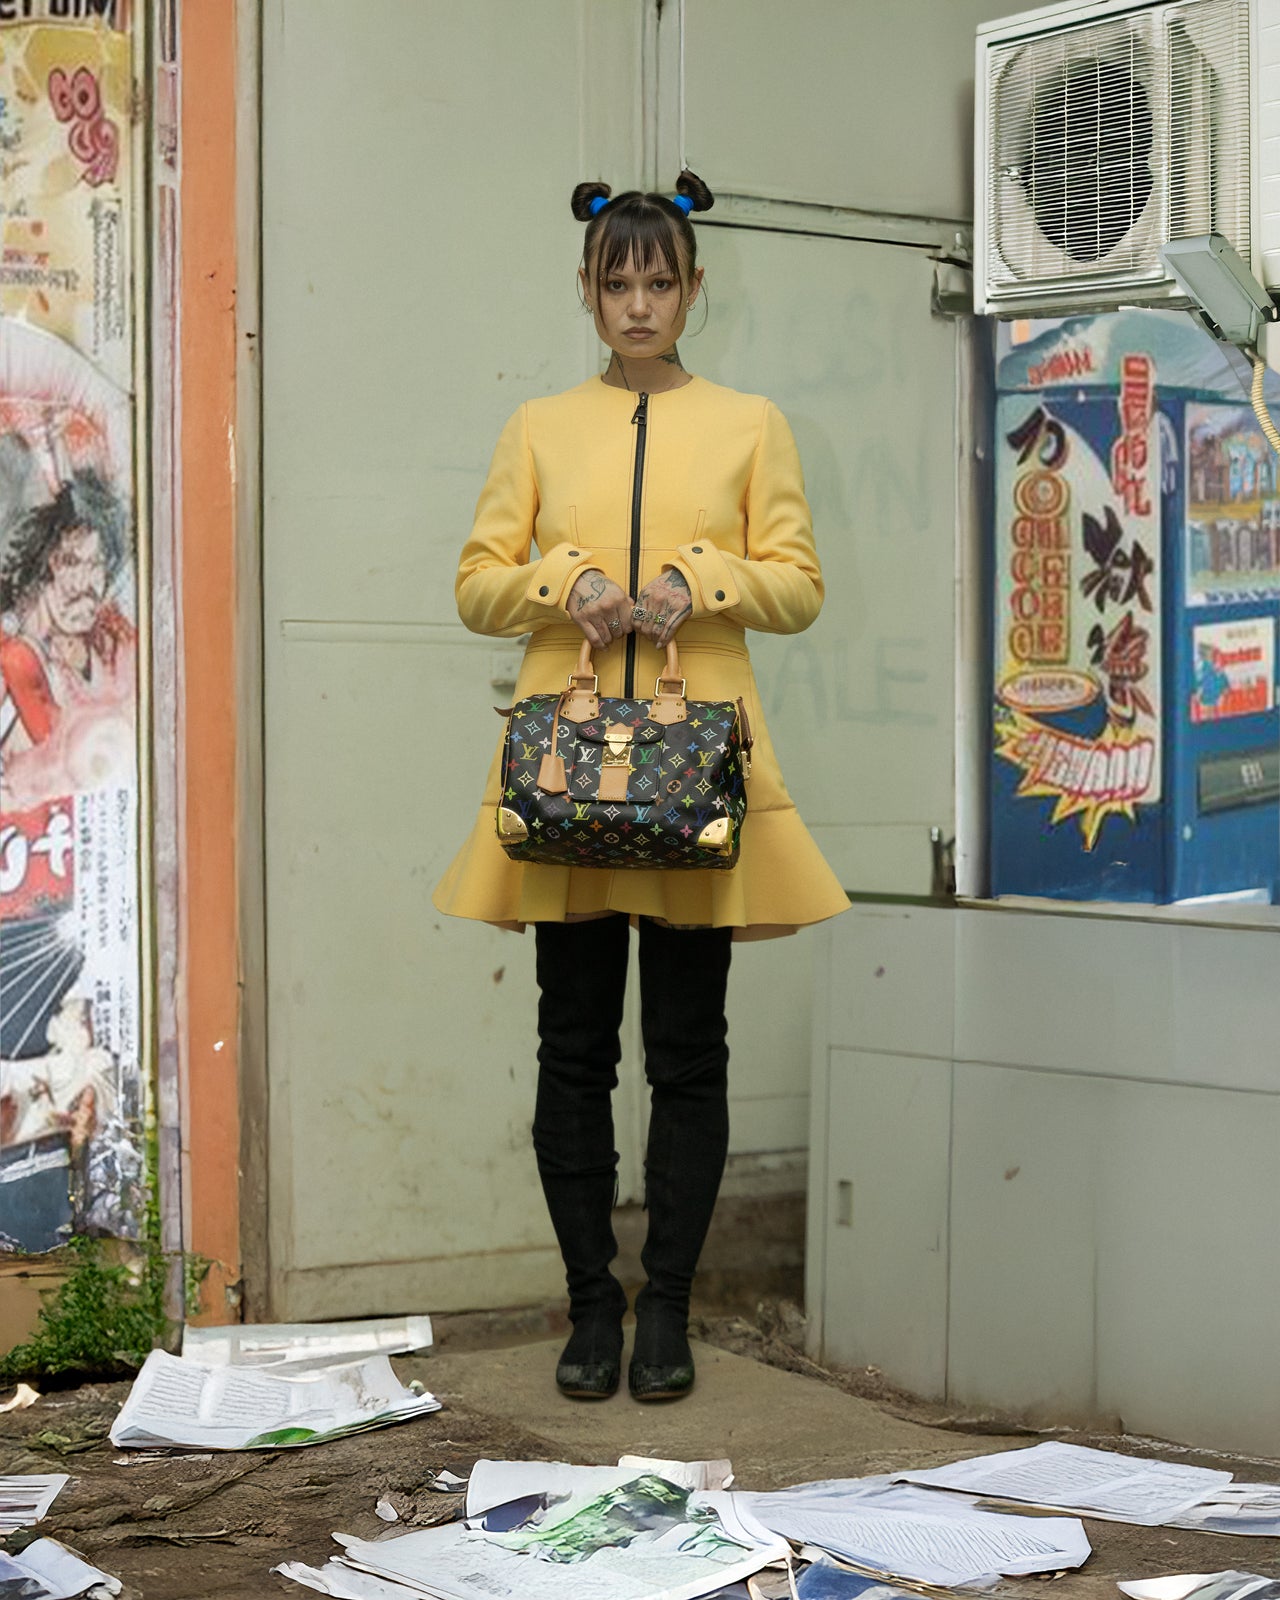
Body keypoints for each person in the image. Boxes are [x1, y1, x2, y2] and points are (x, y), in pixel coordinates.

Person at [434, 169, 848, 1402]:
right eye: (614, 281)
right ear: (584, 290)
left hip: (690, 775)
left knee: (686, 1051)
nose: (635, 301)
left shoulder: (750, 423)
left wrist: (699, 577)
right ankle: (589, 1308)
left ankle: (666, 1305)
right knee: (571, 1053)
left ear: (693, 291)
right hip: (567, 773)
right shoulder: (536, 427)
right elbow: (472, 584)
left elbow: (799, 583)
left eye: (656, 280)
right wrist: (560, 579)